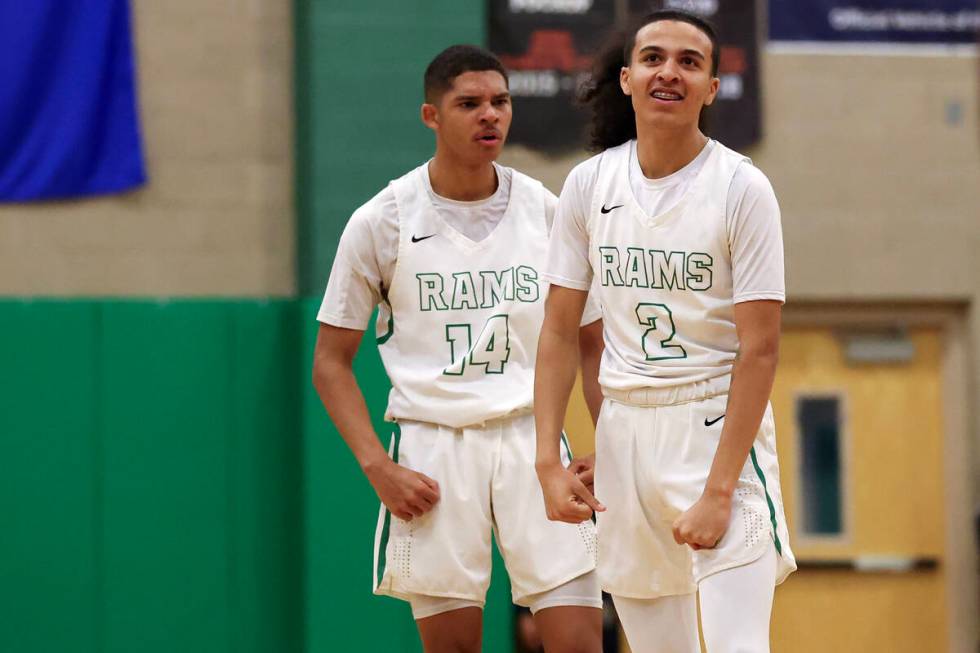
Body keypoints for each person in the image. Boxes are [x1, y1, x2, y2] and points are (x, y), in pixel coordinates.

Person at [312, 45, 604, 653]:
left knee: (579, 640)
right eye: (468, 104)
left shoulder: (545, 211)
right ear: (431, 116)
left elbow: (592, 341)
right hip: (433, 444)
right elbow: (330, 362)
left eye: (499, 102)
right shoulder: (382, 220)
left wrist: (607, 445)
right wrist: (378, 467)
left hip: (534, 438)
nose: (488, 116)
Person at [534, 10, 797, 653]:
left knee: (740, 646)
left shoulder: (742, 188)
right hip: (625, 434)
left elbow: (760, 351)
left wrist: (719, 490)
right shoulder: (589, 184)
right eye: (653, 58)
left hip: (715, 430)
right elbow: (559, 330)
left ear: (712, 87)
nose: (669, 72)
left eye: (689, 61)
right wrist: (548, 458)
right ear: (626, 79)